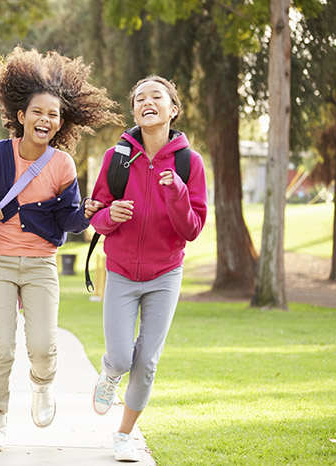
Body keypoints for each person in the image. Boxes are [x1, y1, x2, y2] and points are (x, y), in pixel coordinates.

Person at [0, 46, 121, 452]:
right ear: (21, 116)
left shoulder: (63, 165)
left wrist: (85, 213)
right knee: (0, 346)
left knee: (43, 345)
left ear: (60, 122)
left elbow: (69, 221)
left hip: (40, 265)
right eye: (38, 112)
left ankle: (42, 385)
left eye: (53, 115)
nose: (45, 119)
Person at [89, 75, 207, 462]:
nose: (146, 102)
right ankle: (109, 373)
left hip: (165, 274)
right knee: (123, 358)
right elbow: (97, 217)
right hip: (121, 270)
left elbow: (191, 229)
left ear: (173, 109)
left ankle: (124, 435)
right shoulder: (116, 157)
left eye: (156, 96)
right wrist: (112, 215)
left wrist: (176, 192)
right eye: (139, 98)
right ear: (135, 111)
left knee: (147, 362)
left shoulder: (190, 163)